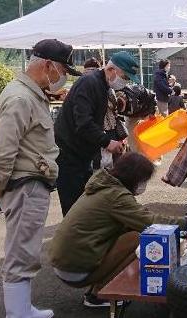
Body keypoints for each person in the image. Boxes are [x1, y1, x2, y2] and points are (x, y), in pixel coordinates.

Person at [0, 39, 81, 318]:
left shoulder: (30, 94)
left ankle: (22, 309)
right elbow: (3, 150)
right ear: (48, 66)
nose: (62, 76)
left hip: (31, 183)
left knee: (25, 248)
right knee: (22, 252)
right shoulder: (20, 98)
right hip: (24, 184)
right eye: (62, 70)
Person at [49, 153, 187, 307]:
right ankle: (99, 295)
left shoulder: (103, 186)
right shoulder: (116, 196)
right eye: (143, 180)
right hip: (74, 269)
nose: (143, 185)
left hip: (64, 263)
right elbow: (150, 222)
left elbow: (138, 217)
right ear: (134, 177)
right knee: (137, 238)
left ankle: (97, 289)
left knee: (130, 230)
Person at [54, 51, 139, 215]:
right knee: (75, 210)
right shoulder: (89, 83)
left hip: (83, 155)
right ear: (112, 69)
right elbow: (84, 123)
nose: (125, 82)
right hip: (70, 155)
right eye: (125, 77)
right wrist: (107, 142)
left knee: (85, 207)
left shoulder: (102, 85)